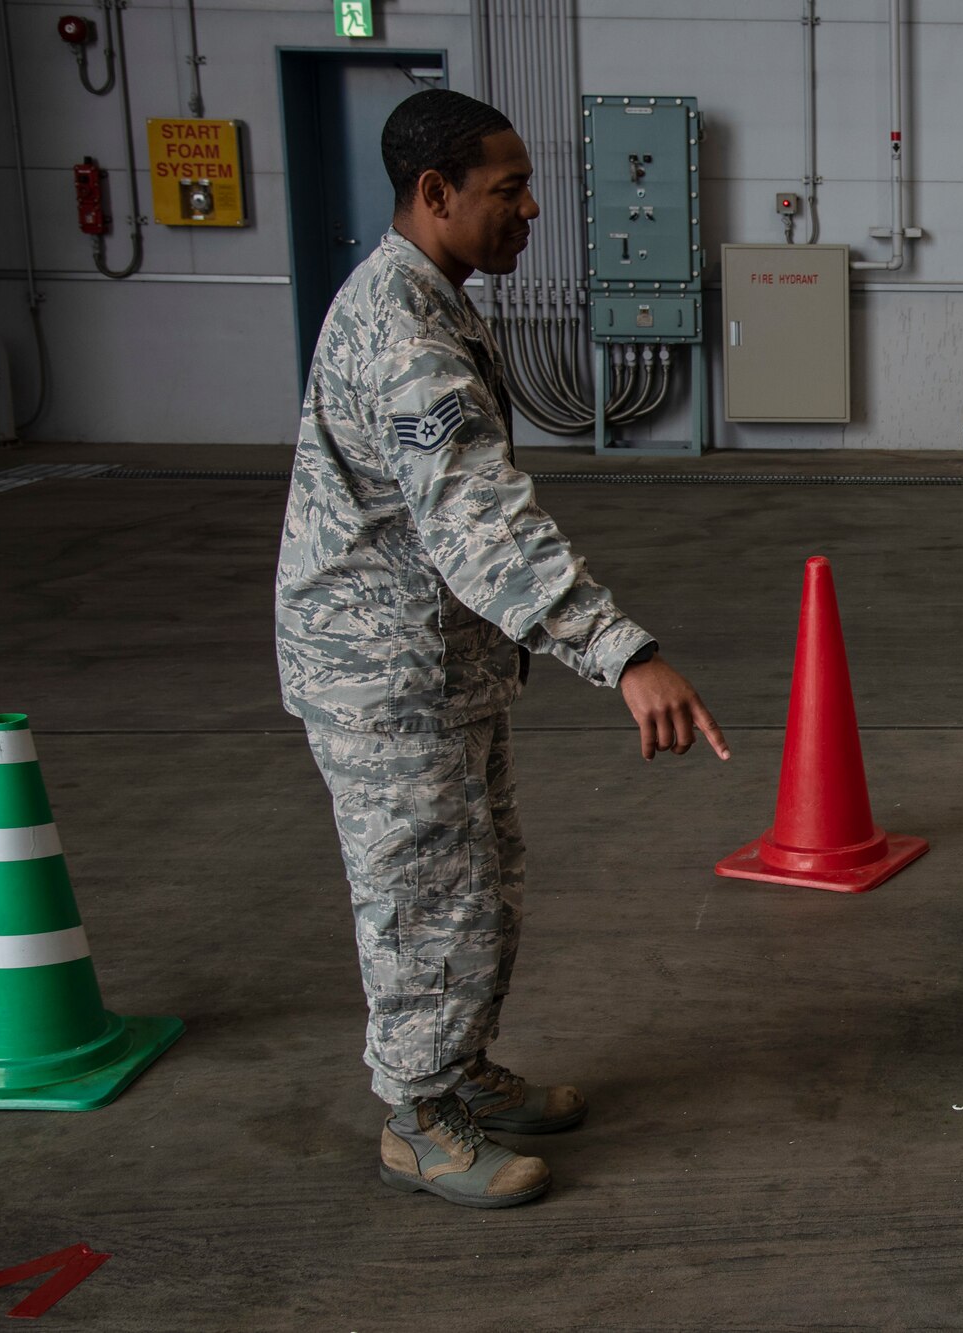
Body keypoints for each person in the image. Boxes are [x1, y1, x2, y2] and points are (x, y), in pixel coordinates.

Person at [275, 89, 729, 1210]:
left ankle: (461, 1066)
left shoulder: (435, 299)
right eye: (507, 189)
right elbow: (481, 523)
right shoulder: (405, 333)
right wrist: (624, 653)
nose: (530, 210)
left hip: (438, 659)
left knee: (479, 878)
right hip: (380, 668)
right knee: (423, 889)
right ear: (434, 194)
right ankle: (418, 1114)